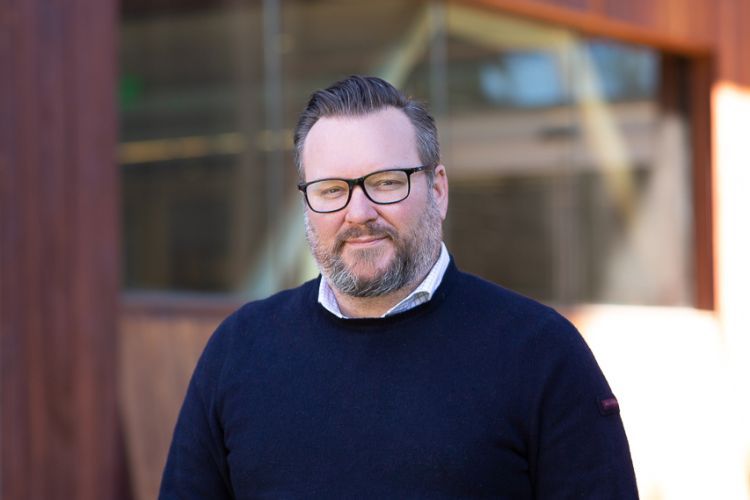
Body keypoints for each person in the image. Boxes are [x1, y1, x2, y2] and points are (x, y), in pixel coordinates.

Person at [159, 75, 639, 499]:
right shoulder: (239, 351)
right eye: (331, 189)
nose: (359, 212)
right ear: (306, 204)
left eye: (386, 182)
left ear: (438, 189)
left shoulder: (541, 354)